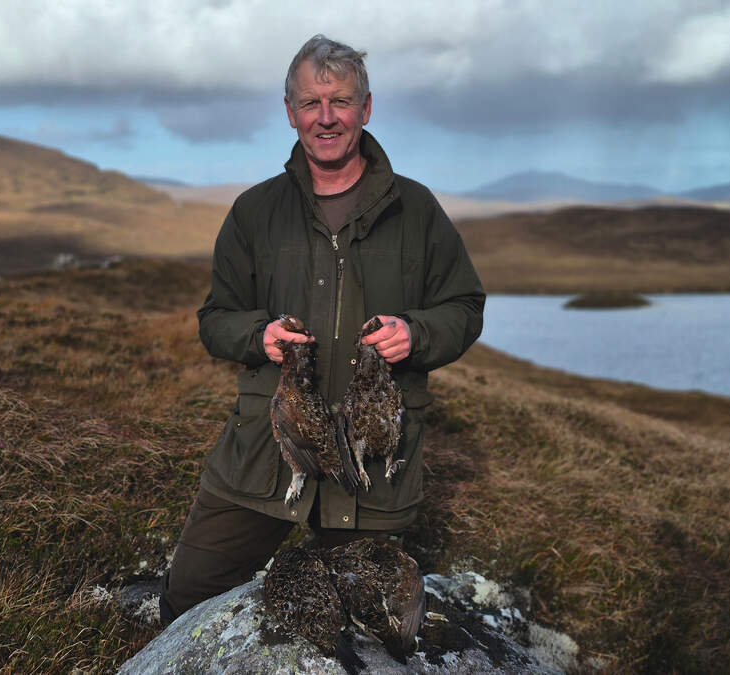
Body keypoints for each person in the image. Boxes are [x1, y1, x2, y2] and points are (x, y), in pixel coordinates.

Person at [159, 34, 485, 625]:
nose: (326, 117)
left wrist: (416, 333)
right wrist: (257, 336)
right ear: (290, 112)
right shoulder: (254, 212)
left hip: (369, 469)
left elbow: (463, 306)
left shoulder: (416, 210)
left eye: (340, 101)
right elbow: (215, 319)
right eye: (311, 103)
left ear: (366, 107)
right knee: (187, 596)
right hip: (265, 453)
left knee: (370, 623)